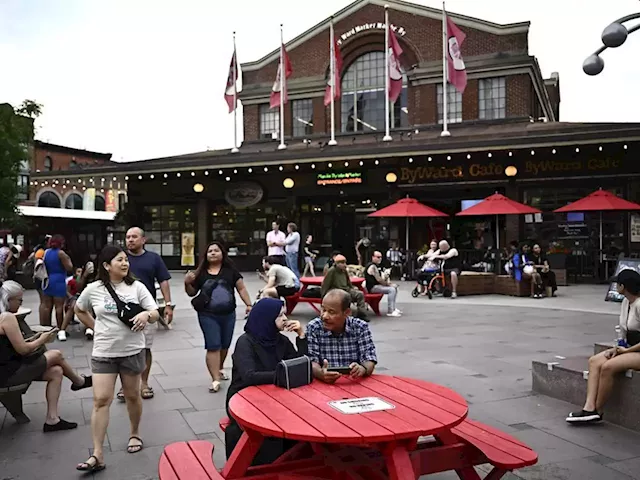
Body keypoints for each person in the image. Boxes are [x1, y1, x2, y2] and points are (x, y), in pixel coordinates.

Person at [74, 245, 160, 472]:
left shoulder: (137, 287)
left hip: (132, 351)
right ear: (106, 265)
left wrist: (145, 314)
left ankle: (134, 434)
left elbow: (155, 312)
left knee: (132, 396)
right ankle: (98, 453)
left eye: (126, 260)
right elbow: (79, 309)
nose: (125, 263)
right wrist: (96, 327)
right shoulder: (93, 289)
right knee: (101, 400)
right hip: (104, 353)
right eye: (119, 260)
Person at [0, 280, 91, 432]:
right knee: (56, 355)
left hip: (8, 368)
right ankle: (78, 381)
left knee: (56, 372)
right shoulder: (6, 317)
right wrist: (41, 339)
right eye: (19, 301)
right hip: (8, 372)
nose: (20, 304)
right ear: (8, 299)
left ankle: (52, 420)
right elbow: (23, 350)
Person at [225, 298, 307, 462]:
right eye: (280, 315)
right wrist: (282, 375)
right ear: (266, 318)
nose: (285, 318)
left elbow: (299, 366)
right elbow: (249, 376)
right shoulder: (246, 342)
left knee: (300, 418)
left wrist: (302, 336)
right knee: (267, 426)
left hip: (276, 396)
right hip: (244, 398)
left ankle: (292, 459)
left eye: (284, 314)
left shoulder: (280, 340)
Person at [566, 270, 640, 424]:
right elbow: (623, 330)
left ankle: (597, 411)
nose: (615, 286)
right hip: (628, 347)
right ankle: (589, 407)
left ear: (623, 286)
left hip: (636, 350)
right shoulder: (626, 302)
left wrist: (626, 351)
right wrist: (617, 347)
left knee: (608, 367)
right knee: (595, 361)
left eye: (617, 283)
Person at [185, 241, 252, 393]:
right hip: (207, 315)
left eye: (216, 250)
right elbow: (191, 293)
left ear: (222, 253)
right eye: (210, 251)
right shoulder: (200, 273)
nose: (213, 253)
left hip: (228, 314)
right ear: (206, 255)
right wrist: (187, 283)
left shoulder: (231, 271)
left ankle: (220, 367)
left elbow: (241, 288)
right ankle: (215, 378)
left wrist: (249, 305)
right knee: (213, 345)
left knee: (225, 344)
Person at [118, 227, 173, 402]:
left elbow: (163, 280)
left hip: (147, 309)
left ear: (143, 240)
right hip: (122, 310)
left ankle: (144, 383)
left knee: (145, 348)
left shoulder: (153, 258)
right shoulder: (120, 259)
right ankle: (125, 385)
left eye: (134, 237)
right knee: (124, 349)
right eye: (127, 237)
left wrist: (168, 304)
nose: (130, 240)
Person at [307, 289, 377, 384]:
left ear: (347, 312)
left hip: (354, 382)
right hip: (323, 386)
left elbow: (369, 358)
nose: (324, 316)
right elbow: (311, 361)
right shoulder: (314, 327)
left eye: (331, 312)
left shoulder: (360, 327)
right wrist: (321, 373)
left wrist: (362, 369)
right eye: (323, 309)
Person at [321, 255, 368, 321]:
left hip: (346, 289)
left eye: (345, 263)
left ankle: (362, 314)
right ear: (337, 264)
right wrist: (323, 296)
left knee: (360, 294)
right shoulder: (332, 271)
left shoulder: (344, 271)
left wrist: (352, 289)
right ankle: (347, 315)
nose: (344, 265)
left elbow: (348, 281)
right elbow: (325, 284)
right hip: (336, 291)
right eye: (342, 263)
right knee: (346, 297)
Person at [41, 235, 73, 328]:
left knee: (47, 306)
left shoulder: (46, 252)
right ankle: (60, 328)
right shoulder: (61, 253)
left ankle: (46, 327)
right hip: (58, 280)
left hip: (48, 279)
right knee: (59, 307)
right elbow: (69, 267)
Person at [365, 251, 401, 317]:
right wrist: (389, 285)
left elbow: (382, 278)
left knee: (394, 288)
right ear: (373, 257)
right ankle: (390, 311)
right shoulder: (372, 266)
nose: (380, 259)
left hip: (377, 286)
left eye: (381, 257)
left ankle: (393, 308)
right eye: (378, 257)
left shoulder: (377, 266)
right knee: (392, 290)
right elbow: (379, 279)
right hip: (372, 288)